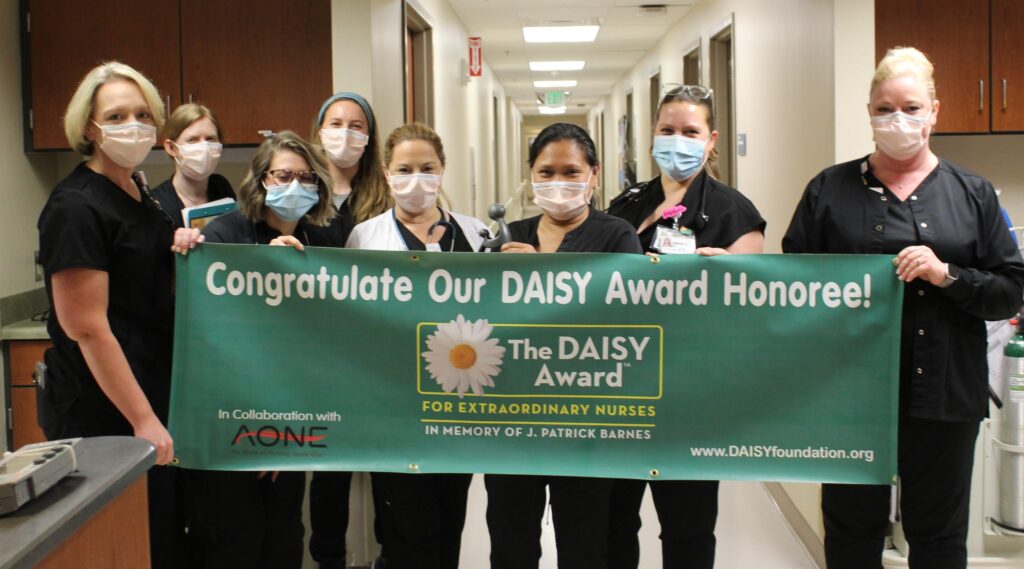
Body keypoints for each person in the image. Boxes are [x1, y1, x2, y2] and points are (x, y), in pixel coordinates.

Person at [782, 47, 1024, 569]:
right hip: (849, 394)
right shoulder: (828, 190)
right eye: (884, 109)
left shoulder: (973, 194)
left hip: (944, 392)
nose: (898, 120)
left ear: (934, 112)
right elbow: (793, 287)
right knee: (851, 531)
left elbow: (1010, 290)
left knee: (938, 537)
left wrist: (946, 274)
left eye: (911, 108)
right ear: (868, 113)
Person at [604, 84, 764, 569]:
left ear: (711, 140)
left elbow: (752, 307)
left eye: (690, 132)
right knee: (613, 524)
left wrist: (723, 279)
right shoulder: (628, 202)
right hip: (622, 389)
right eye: (667, 130)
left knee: (688, 529)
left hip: (691, 394)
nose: (678, 140)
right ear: (653, 135)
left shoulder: (734, 211)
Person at [36, 61, 186, 568]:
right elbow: (86, 327)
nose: (133, 125)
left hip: (150, 389)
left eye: (143, 114)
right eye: (117, 116)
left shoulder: (138, 193)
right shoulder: (76, 206)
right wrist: (143, 419)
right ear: (88, 127)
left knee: (158, 539)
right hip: (105, 411)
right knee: (117, 545)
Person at [174, 131, 335, 568]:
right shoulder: (224, 235)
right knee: (234, 542)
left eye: (306, 177)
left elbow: (321, 342)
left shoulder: (320, 243)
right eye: (283, 175)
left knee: (283, 540)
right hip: (231, 424)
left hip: (293, 423)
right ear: (262, 179)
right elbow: (216, 339)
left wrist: (283, 428)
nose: (295, 185)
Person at [486, 122, 643, 569]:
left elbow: (626, 322)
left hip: (586, 423)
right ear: (531, 175)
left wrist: (543, 274)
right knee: (511, 545)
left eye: (571, 172)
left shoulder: (617, 236)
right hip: (512, 422)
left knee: (584, 545)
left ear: (594, 174)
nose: (559, 183)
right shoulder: (508, 238)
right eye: (546, 172)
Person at [345, 122, 483, 569]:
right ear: (387, 173)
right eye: (404, 169)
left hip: (459, 409)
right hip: (392, 408)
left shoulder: (475, 235)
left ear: (443, 170)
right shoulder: (364, 238)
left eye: (428, 168)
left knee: (449, 523)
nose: (416, 179)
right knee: (405, 533)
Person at [306, 91, 391, 569]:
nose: (345, 133)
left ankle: (388, 555)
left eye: (356, 125)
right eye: (335, 123)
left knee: (385, 464)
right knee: (330, 469)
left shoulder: (387, 193)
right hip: (322, 353)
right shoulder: (301, 192)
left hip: (377, 352)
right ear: (318, 132)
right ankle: (328, 560)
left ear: (370, 137)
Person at [151, 103, 234, 228]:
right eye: (192, 140)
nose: (204, 147)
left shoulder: (221, 187)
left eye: (210, 139)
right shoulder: (157, 204)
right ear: (171, 148)